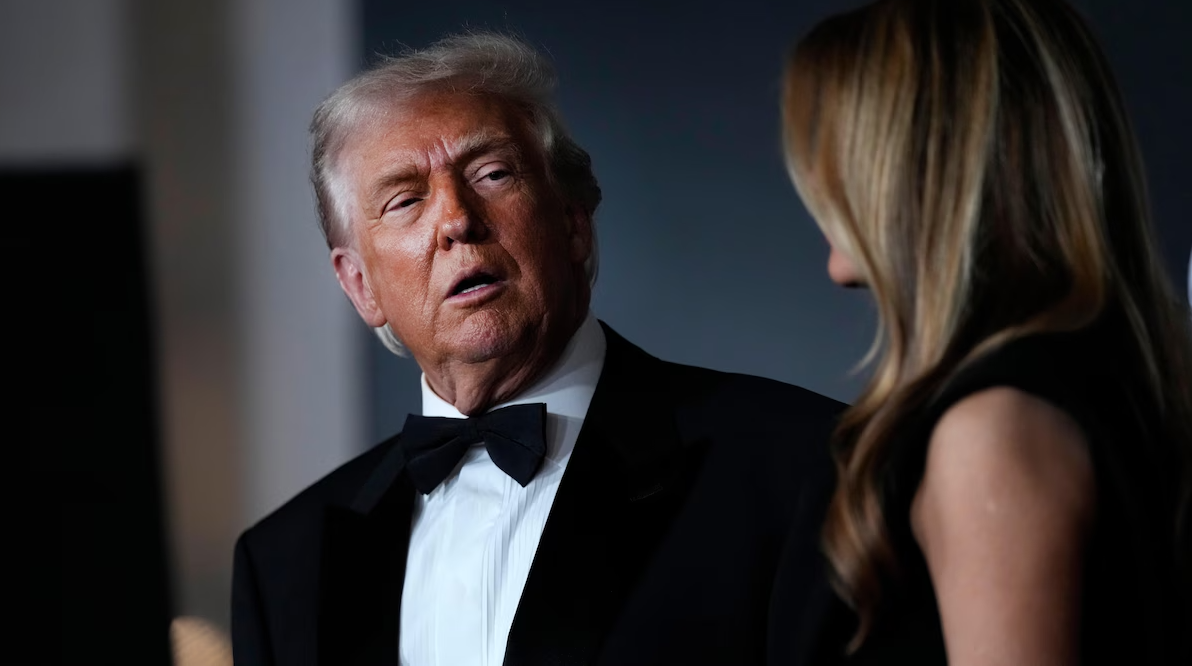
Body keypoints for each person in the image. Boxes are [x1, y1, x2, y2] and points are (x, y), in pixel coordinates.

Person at [231, 32, 844, 666]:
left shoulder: (800, 465)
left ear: (574, 222)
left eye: (492, 174)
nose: (456, 220)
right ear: (361, 285)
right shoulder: (283, 564)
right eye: (406, 200)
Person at [779, 0, 1192, 664]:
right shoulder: (1133, 381)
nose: (820, 193)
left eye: (837, 164)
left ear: (922, 171)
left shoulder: (991, 431)